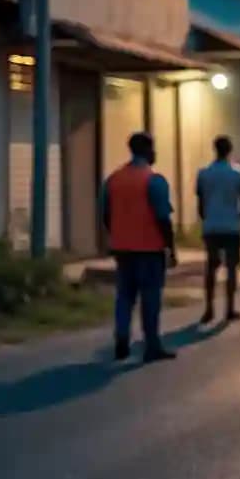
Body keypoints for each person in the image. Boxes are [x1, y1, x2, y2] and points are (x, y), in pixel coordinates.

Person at [101, 132, 178, 361]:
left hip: (122, 248)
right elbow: (163, 219)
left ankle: (121, 340)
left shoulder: (113, 179)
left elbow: (106, 214)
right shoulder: (154, 180)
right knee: (150, 298)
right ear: (147, 150)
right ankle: (151, 345)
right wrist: (171, 248)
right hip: (149, 249)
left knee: (124, 296)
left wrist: (117, 234)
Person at [196, 135, 240, 324]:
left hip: (211, 226)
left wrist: (208, 217)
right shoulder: (238, 173)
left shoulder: (203, 173)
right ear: (230, 150)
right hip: (230, 227)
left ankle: (209, 309)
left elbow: (200, 204)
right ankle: (229, 308)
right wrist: (238, 216)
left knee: (211, 267)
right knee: (231, 269)